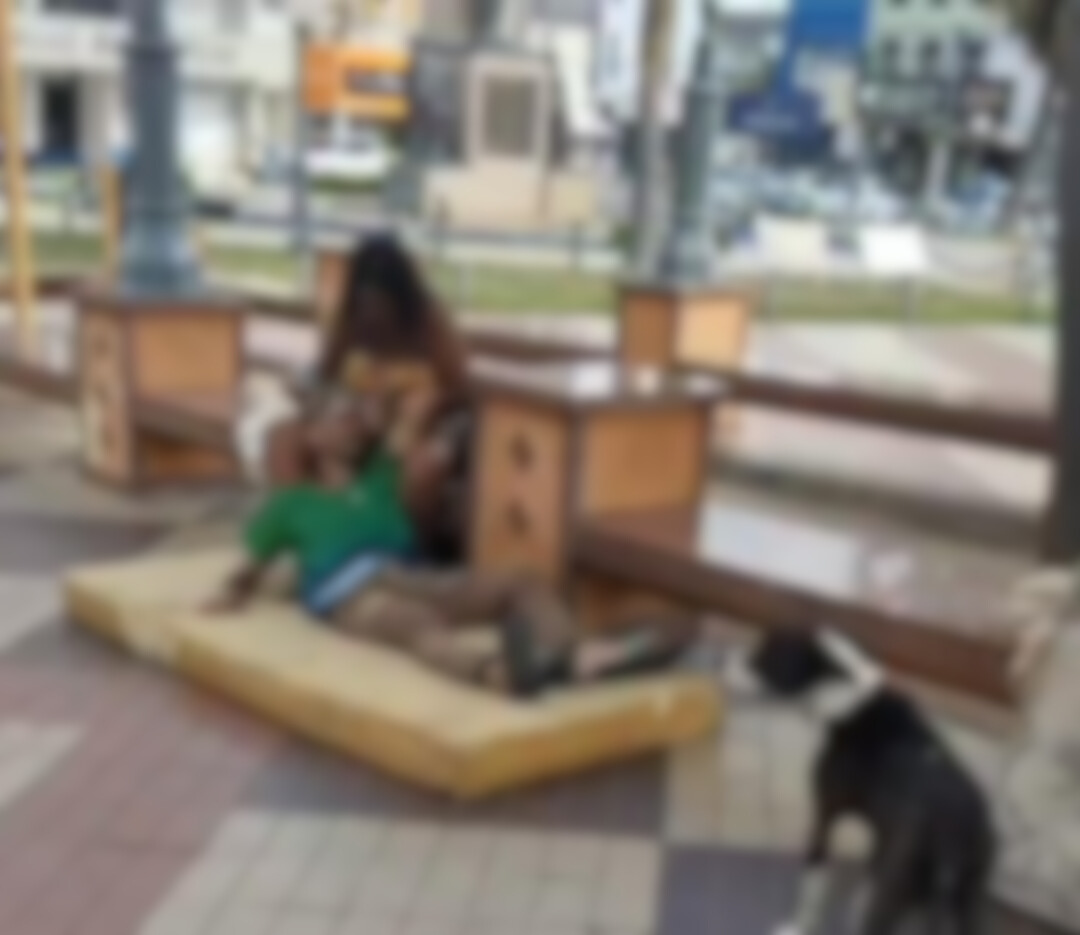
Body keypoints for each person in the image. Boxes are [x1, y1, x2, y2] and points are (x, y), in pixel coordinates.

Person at [210, 399, 692, 697]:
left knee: (521, 582)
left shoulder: (380, 474)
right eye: (338, 416)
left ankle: (571, 658)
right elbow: (248, 568)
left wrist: (423, 418)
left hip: (414, 576)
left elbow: (409, 417)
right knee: (416, 623)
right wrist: (231, 592)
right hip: (349, 595)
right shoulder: (291, 504)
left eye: (352, 416)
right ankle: (496, 674)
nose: (351, 421)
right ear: (311, 438)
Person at [264, 233, 472, 558]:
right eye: (365, 304)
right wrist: (321, 403)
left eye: (381, 305)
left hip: (415, 431)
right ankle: (306, 533)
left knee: (423, 468)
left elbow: (459, 389)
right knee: (283, 438)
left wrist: (417, 405)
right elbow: (324, 376)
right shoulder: (350, 321)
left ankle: (403, 551)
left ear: (401, 300)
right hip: (358, 423)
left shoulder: (430, 322)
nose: (373, 315)